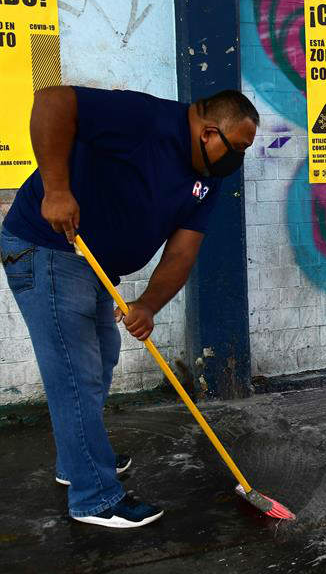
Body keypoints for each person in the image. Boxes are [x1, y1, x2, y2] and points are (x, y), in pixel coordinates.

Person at [0, 86, 258, 527]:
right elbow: (52, 101)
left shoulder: (208, 179)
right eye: (237, 148)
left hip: (96, 266)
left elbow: (183, 251)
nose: (239, 160)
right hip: (49, 249)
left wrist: (149, 305)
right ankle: (94, 496)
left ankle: (77, 461)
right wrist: (56, 190)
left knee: (100, 363)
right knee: (75, 375)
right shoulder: (145, 119)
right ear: (208, 132)